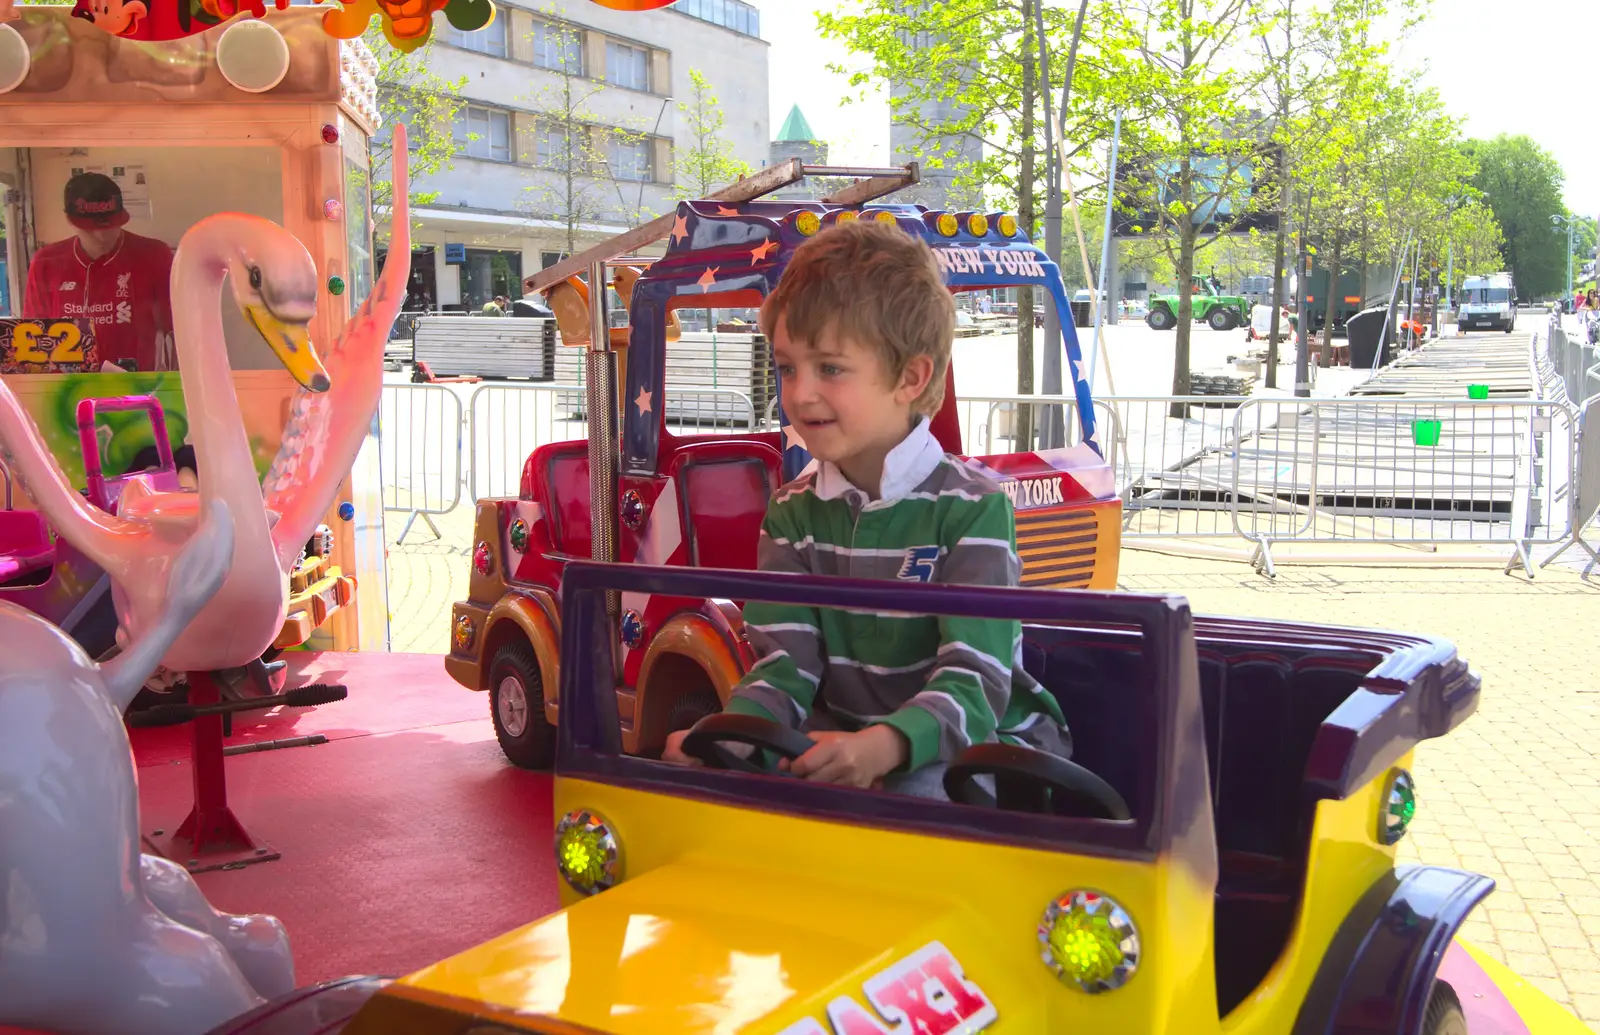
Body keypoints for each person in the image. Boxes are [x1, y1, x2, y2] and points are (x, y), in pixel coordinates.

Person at [662, 221, 1073, 798]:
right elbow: (786, 665)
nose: (800, 394)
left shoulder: (972, 509)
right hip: (850, 738)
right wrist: (732, 737)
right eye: (787, 368)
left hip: (988, 745)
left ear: (911, 377)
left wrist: (887, 744)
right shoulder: (792, 513)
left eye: (829, 368)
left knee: (914, 796)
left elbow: (974, 679)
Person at [22, 172, 173, 371]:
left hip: (137, 387)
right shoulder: (46, 262)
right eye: (90, 229)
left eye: (110, 225)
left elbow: (180, 331)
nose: (102, 236)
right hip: (67, 388)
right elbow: (32, 340)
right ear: (69, 219)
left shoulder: (154, 256)